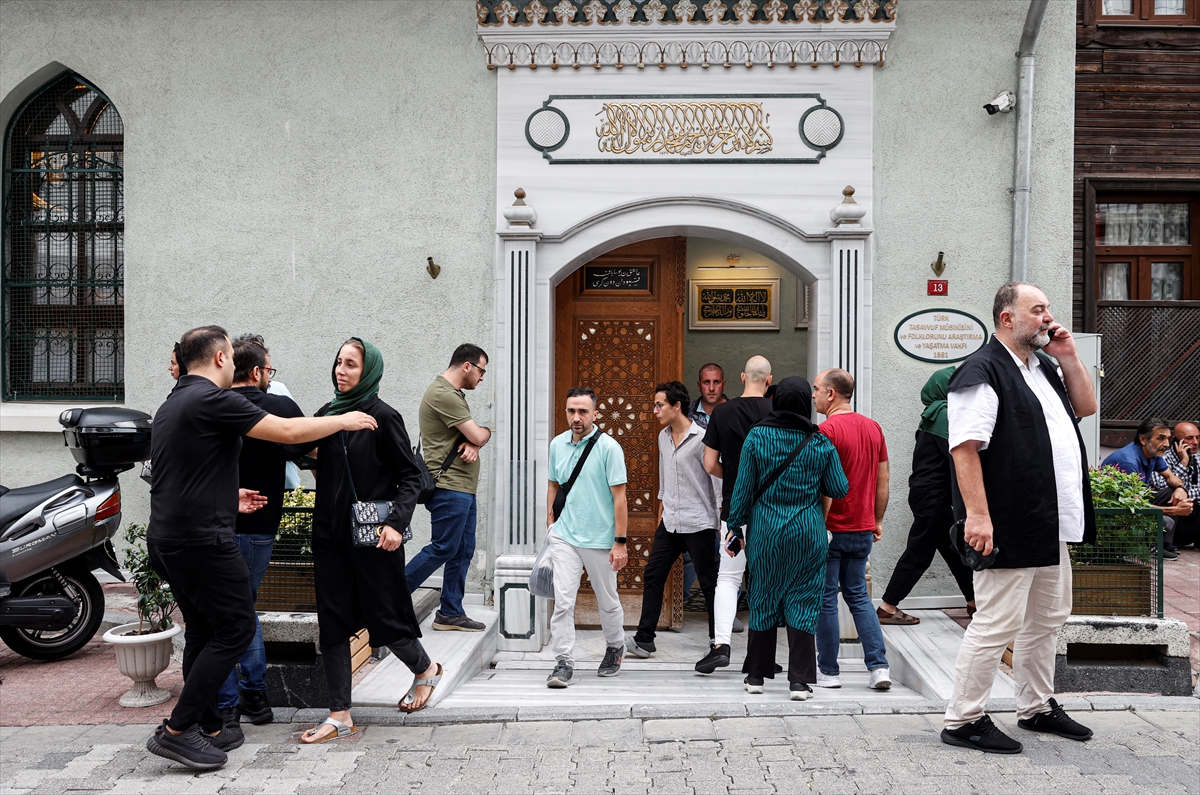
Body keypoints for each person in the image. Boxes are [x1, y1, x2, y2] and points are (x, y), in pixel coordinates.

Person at [146, 326, 378, 770]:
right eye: (230, 356)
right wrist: (344, 419)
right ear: (218, 358)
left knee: (203, 632)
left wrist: (226, 495)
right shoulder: (213, 399)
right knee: (234, 628)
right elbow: (289, 431)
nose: (235, 363)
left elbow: (178, 474)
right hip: (201, 542)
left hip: (171, 538)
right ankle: (176, 730)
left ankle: (208, 726)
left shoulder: (175, 402)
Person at [942, 282, 1097, 755]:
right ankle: (963, 718)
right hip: (1008, 520)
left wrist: (1069, 355)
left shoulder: (1045, 366)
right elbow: (964, 448)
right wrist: (979, 517)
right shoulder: (981, 369)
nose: (1048, 318)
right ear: (1007, 319)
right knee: (996, 623)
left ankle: (1035, 706)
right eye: (1038, 310)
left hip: (1048, 521)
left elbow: (1087, 408)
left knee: (1048, 617)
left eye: (1048, 309)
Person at [298, 338, 443, 744]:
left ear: (369, 371)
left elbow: (411, 476)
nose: (341, 371)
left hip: (375, 539)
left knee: (385, 616)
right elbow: (303, 453)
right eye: (338, 363)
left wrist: (396, 523)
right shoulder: (327, 415)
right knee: (332, 623)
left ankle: (426, 669)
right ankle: (340, 713)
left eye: (351, 365)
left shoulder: (383, 415)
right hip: (329, 537)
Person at [726, 376, 849, 701]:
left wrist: (734, 525)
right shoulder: (819, 441)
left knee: (763, 597)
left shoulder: (757, 436)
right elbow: (838, 489)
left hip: (766, 530)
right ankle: (799, 682)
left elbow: (743, 488)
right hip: (807, 532)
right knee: (804, 601)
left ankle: (755, 677)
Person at [214, 335, 304, 728]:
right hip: (260, 529)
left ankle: (231, 703)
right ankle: (254, 697)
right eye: (270, 369)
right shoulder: (280, 407)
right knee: (243, 610)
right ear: (256, 371)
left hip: (214, 526)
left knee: (221, 616)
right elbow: (309, 450)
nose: (271, 375)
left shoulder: (210, 406)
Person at [626, 381, 719, 658]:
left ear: (676, 406)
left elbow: (715, 483)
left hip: (699, 521)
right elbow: (664, 482)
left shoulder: (703, 438)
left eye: (659, 405)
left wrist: (721, 522)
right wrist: (660, 517)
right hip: (670, 521)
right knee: (653, 574)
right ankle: (645, 639)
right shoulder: (663, 437)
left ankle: (718, 640)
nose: (654, 410)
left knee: (709, 583)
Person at [877, 367, 977, 625]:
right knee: (919, 552)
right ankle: (888, 606)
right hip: (934, 498)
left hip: (928, 495)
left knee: (956, 552)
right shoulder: (944, 415)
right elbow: (959, 461)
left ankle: (974, 602)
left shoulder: (932, 415)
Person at [813, 368, 892, 691]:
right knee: (858, 596)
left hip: (833, 528)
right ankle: (878, 668)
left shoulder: (827, 431)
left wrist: (820, 525)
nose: (814, 394)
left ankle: (829, 672)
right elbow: (884, 480)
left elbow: (825, 487)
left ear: (831, 393)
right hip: (862, 528)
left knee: (827, 599)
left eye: (817, 389)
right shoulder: (873, 428)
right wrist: (877, 519)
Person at [545, 387, 629, 688]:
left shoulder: (609, 448)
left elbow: (620, 498)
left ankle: (616, 645)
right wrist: (551, 522)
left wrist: (620, 542)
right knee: (564, 602)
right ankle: (563, 662)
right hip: (565, 536)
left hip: (600, 539)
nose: (576, 417)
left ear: (596, 413)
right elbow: (554, 485)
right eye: (571, 411)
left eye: (582, 411)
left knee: (607, 600)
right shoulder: (557, 444)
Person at [694, 355, 773, 674]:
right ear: (769, 380)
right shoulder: (776, 412)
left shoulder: (723, 412)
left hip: (735, 511)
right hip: (770, 510)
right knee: (765, 579)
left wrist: (737, 477)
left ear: (742, 377)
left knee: (728, 577)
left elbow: (709, 464)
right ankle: (763, 654)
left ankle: (721, 646)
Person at [405, 344, 492, 632]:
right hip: (448, 486)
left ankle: (450, 611)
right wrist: (478, 438)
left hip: (462, 487)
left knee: (463, 549)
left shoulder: (453, 394)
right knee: (443, 547)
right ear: (467, 366)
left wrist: (474, 442)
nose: (482, 377)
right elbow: (478, 433)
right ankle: (390, 597)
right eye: (481, 370)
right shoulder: (443, 394)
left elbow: (473, 437)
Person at [1101, 418, 1193, 560]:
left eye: (1168, 439)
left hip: (1135, 500)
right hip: (1117, 510)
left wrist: (1181, 488)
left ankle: (1160, 545)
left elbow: (1170, 477)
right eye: (1161, 438)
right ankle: (1141, 546)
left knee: (1172, 492)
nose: (1167, 444)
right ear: (1143, 440)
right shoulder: (1129, 461)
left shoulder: (1153, 454)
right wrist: (1174, 511)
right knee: (1166, 522)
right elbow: (1134, 505)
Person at [1162, 421, 1199, 548]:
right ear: (1175, 440)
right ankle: (1167, 543)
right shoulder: (1163, 460)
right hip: (1172, 518)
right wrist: (1183, 463)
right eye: (1189, 438)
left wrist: (1185, 491)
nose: (1195, 442)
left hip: (1191, 515)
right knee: (1173, 493)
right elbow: (1162, 487)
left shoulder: (1197, 460)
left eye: (1198, 437)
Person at [688, 363, 728, 429]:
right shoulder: (686, 412)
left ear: (723, 385)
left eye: (716, 382)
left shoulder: (734, 412)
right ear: (699, 386)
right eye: (706, 382)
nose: (711, 388)